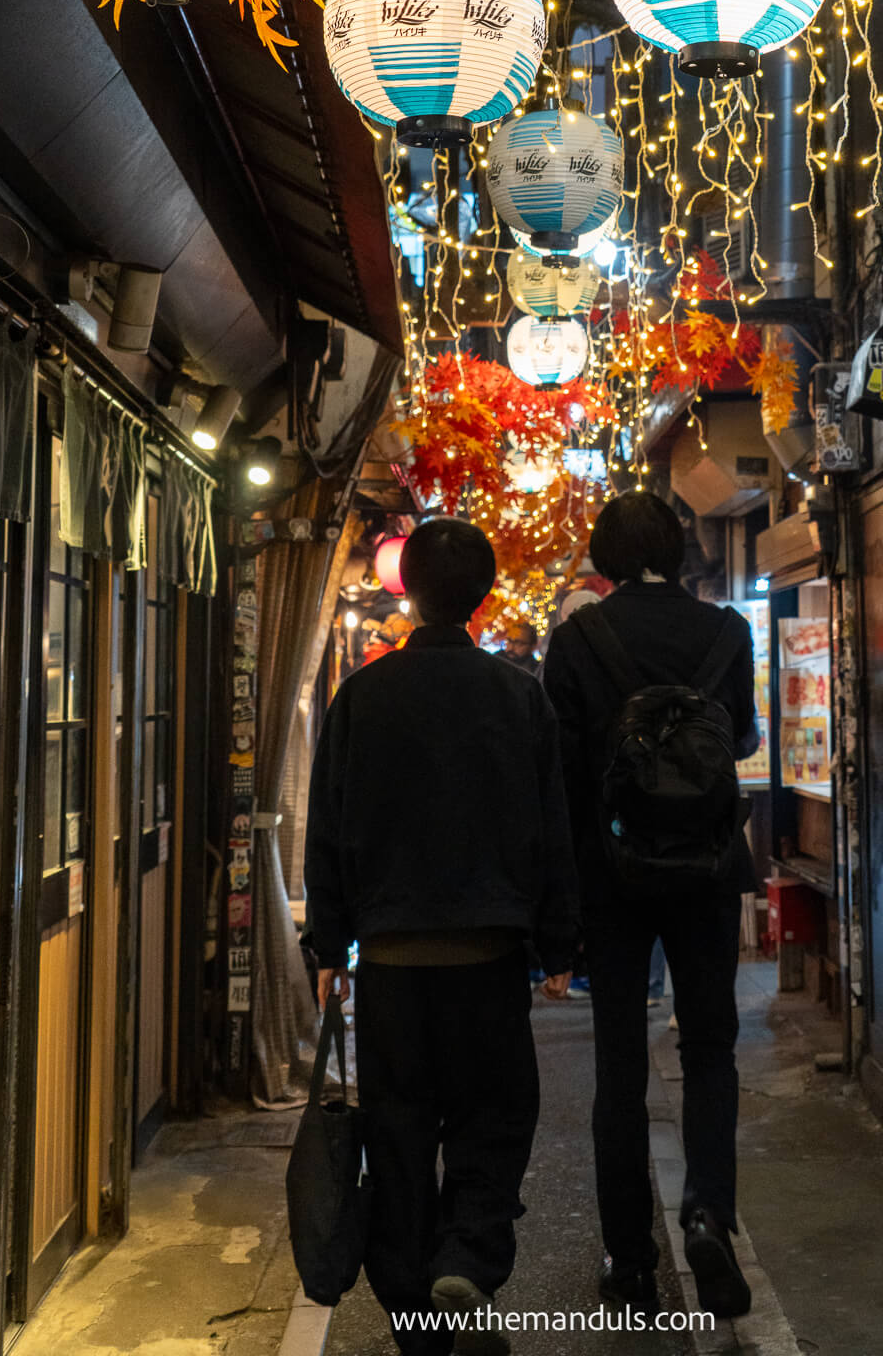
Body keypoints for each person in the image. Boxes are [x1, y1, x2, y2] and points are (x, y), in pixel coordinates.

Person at [305, 518, 578, 1356]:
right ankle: (467, 1254)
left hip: (391, 962)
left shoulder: (363, 696)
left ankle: (413, 1314)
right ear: (482, 595)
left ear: (410, 590)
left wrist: (329, 945)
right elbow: (551, 828)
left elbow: (328, 826)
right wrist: (558, 945)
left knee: (397, 1131)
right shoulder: (518, 695)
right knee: (494, 1115)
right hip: (488, 958)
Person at [542, 491, 759, 1322]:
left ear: (603, 557)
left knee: (620, 1064)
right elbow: (742, 737)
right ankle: (707, 1215)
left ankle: (630, 1259)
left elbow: (563, 776)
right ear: (678, 550)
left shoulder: (578, 640)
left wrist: (560, 901)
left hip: (612, 875)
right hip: (707, 870)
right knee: (709, 1048)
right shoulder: (727, 632)